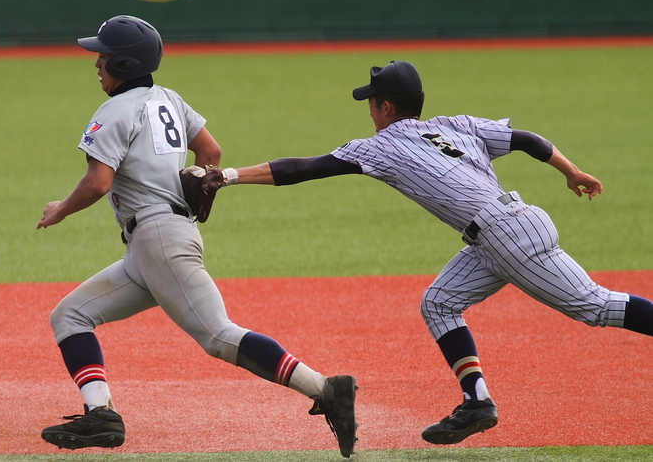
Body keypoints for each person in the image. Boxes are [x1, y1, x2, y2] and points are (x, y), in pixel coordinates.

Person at [204, 60, 653, 444]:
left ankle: (478, 401)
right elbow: (527, 140)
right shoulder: (455, 125)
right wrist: (571, 172)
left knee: (593, 305)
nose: (368, 108)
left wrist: (228, 177)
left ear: (385, 106)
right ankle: (477, 403)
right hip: (503, 229)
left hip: (505, 236)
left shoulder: (381, 146)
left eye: (371, 100)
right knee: (440, 302)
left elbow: (302, 169)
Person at [36, 15, 357, 458]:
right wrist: (198, 185)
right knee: (69, 316)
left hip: (159, 240)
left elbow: (98, 182)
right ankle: (101, 414)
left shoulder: (114, 110)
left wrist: (60, 210)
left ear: (124, 64)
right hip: (154, 244)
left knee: (218, 336)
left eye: (104, 56)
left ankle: (325, 388)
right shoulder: (169, 99)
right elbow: (212, 153)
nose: (97, 63)